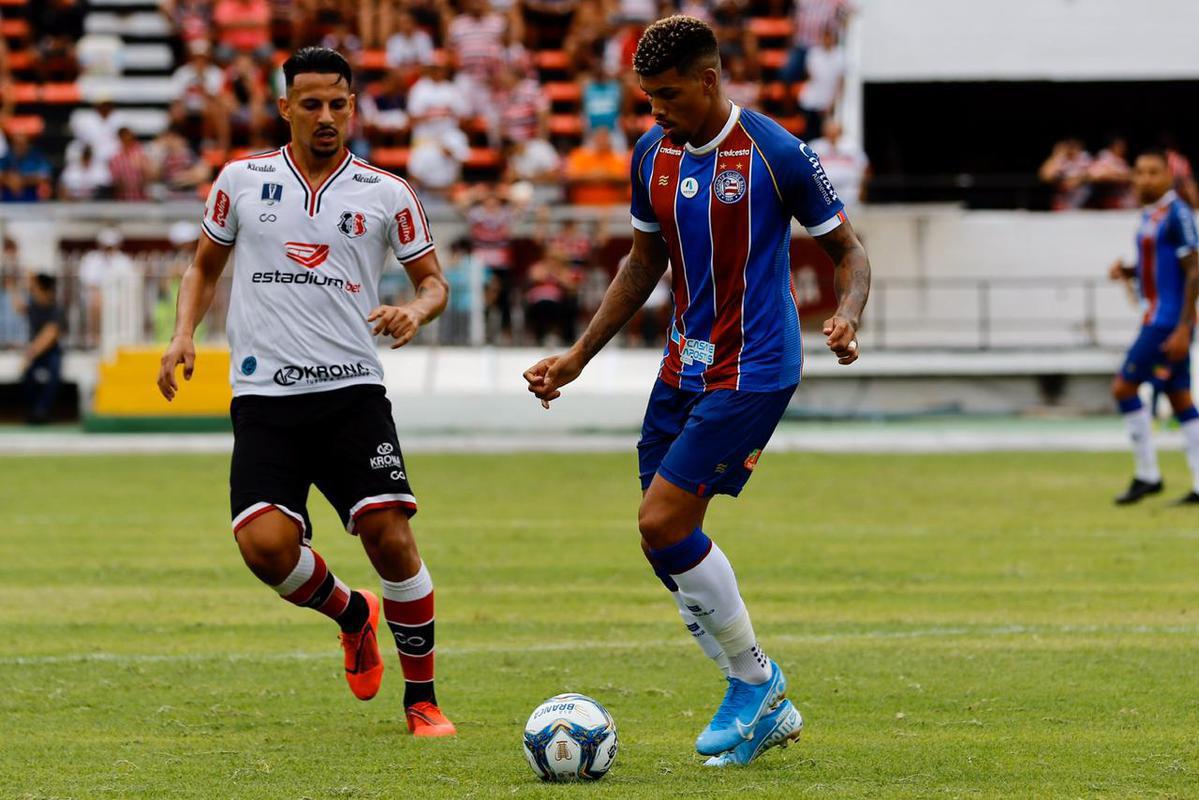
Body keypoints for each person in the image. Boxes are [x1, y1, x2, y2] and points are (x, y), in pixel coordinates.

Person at [522, 16, 870, 767]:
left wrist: (845, 313)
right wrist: (579, 355)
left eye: (668, 96)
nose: (655, 114)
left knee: (662, 520)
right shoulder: (652, 151)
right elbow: (642, 263)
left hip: (753, 368)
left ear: (709, 81)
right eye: (647, 100)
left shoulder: (775, 152)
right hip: (682, 367)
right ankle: (757, 698)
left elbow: (846, 249)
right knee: (660, 542)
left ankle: (755, 683)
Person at [155, 47, 456, 737]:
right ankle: (352, 615)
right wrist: (182, 334)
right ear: (285, 107)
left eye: (338, 104)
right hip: (264, 399)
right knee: (264, 548)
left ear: (353, 107)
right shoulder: (240, 180)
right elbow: (203, 268)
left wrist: (416, 309)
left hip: (352, 393)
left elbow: (432, 281)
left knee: (390, 536)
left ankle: (423, 701)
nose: (326, 117)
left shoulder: (387, 193)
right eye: (312, 104)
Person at [1108, 149, 1199, 505]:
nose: (1144, 179)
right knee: (1181, 400)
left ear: (1168, 177)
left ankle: (1147, 475)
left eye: (1153, 172)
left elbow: (1194, 269)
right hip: (1160, 317)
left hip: (1166, 322)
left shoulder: (1178, 213)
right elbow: (1162, 267)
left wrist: (1183, 328)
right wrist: (1128, 272)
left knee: (1123, 387)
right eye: (1140, 172)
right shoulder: (1151, 215)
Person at [16, 274, 66, 424]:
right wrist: (20, 281)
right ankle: (34, 411)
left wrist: (29, 355)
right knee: (27, 375)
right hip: (35, 352)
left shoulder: (56, 309)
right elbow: (17, 304)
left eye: (35, 287)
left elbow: (49, 336)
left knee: (54, 372)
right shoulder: (32, 306)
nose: (32, 290)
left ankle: (42, 411)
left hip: (50, 351)